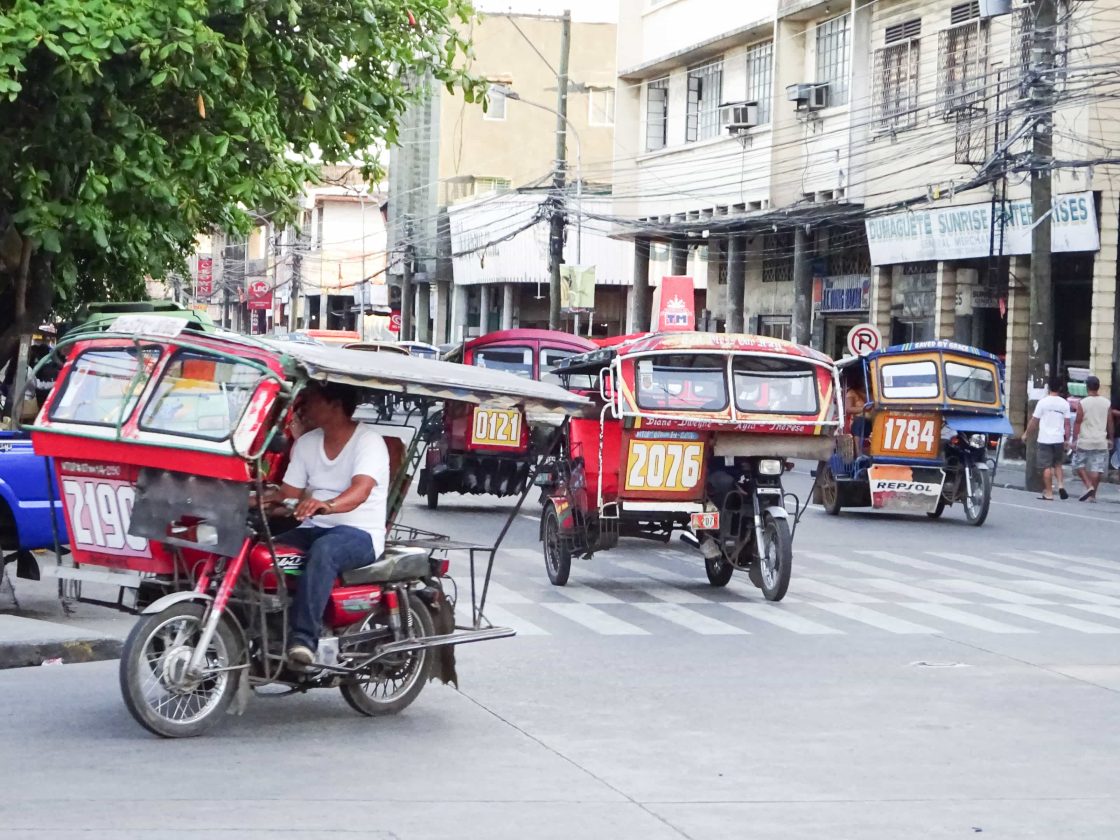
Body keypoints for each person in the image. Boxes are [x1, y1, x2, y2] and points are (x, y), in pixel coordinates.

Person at [266, 382, 389, 667]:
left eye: (311, 400)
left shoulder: (369, 442)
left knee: (325, 550)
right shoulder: (307, 443)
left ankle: (303, 641)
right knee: (265, 550)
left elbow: (361, 490)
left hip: (360, 533)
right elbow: (287, 495)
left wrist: (328, 505)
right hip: (312, 527)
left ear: (335, 404)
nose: (303, 407)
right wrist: (249, 498)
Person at [1021, 376, 1072, 501]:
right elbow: (1067, 424)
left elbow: (1034, 421)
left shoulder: (1043, 402)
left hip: (1045, 439)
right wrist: (1067, 439)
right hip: (1059, 438)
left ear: (1049, 387)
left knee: (1046, 467)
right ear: (1060, 388)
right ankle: (1060, 485)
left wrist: (1026, 433)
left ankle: (1049, 492)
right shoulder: (1065, 404)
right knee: (1058, 464)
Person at [1073, 375, 1113, 502]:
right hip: (1101, 440)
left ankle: (1088, 486)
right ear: (1098, 387)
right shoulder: (1106, 403)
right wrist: (1110, 438)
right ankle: (1092, 495)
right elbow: (1110, 422)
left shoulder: (1083, 403)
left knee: (1078, 465)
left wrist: (1075, 439)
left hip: (1085, 440)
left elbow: (1078, 422)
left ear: (1087, 387)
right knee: (1097, 468)